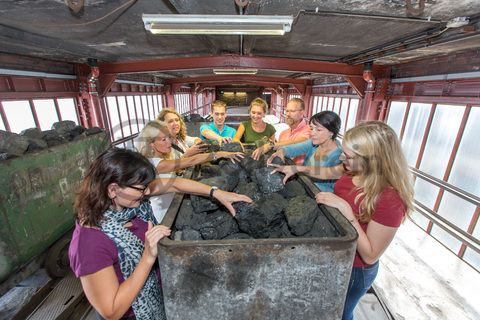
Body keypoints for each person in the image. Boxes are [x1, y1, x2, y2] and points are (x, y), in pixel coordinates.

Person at [69, 148, 251, 320]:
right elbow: (111, 311)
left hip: (161, 300)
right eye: (142, 188)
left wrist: (216, 193)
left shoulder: (130, 202)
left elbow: (176, 185)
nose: (148, 191)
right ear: (113, 190)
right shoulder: (89, 242)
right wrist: (148, 256)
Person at [272, 121, 414, 320]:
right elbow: (328, 172)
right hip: (335, 257)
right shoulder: (353, 170)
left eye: (349, 156)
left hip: (354, 269)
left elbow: (371, 255)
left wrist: (346, 212)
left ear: (373, 159)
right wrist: (297, 169)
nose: (341, 157)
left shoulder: (390, 199)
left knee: (340, 313)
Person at [137, 121, 244, 222]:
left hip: (170, 204)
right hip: (159, 214)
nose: (169, 141)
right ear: (151, 144)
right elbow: (190, 161)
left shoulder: (159, 159)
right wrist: (219, 154)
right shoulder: (154, 164)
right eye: (163, 139)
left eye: (169, 137)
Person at [267, 111, 342, 192]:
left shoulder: (339, 156)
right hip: (305, 185)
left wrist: (299, 173)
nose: (312, 133)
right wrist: (282, 151)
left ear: (331, 132)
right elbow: (293, 148)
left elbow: (332, 186)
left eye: (318, 130)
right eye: (311, 128)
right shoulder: (314, 143)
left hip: (320, 193)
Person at [252, 97, 310, 163]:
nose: (288, 114)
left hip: (301, 171)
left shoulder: (309, 130)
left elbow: (301, 142)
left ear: (302, 112)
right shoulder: (283, 133)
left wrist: (270, 146)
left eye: (292, 111)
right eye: (287, 111)